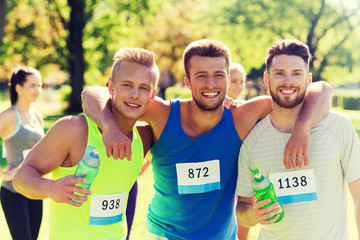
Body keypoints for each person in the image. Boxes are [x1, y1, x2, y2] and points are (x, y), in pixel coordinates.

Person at [81, 39, 332, 239]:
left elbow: (321, 89)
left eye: (218, 75)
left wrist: (302, 129)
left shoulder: (242, 116)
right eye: (201, 76)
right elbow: (94, 92)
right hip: (164, 235)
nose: (211, 84)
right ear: (187, 81)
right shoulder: (162, 113)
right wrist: (109, 126)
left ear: (228, 79)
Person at [13, 48, 159, 240]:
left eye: (144, 88)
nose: (135, 94)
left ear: (153, 95)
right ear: (111, 88)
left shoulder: (145, 136)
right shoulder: (74, 129)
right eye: (127, 85)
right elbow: (21, 178)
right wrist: (50, 188)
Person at [235, 39, 360, 239]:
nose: (288, 81)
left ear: (308, 80)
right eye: (279, 73)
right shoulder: (253, 141)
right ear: (267, 79)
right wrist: (253, 214)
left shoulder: (338, 127)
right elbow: (242, 209)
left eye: (296, 74)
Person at [0, 66, 44, 240]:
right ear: (18, 88)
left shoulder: (38, 117)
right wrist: (4, 173)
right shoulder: (8, 116)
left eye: (40, 85)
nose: (38, 90)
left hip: (34, 189)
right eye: (32, 85)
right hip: (13, 192)